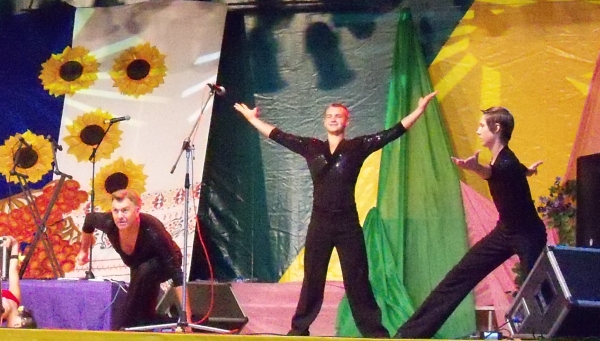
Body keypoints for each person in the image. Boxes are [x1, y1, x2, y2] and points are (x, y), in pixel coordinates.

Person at [234, 91, 438, 337]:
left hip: (347, 224)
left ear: (346, 121)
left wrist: (418, 110)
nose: (333, 119)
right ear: (324, 121)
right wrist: (252, 119)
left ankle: (374, 333)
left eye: (338, 116)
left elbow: (393, 132)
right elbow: (279, 135)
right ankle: (299, 329)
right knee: (313, 278)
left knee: (357, 279)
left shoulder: (357, 147)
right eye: (329, 116)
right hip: (320, 223)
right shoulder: (312, 147)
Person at [394, 107, 547, 339]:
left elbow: (493, 172)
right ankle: (410, 334)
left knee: (535, 292)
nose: (478, 130)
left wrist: (475, 167)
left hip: (529, 235)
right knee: (459, 276)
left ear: (497, 128)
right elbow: (507, 170)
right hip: (505, 231)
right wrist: (527, 171)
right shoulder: (506, 159)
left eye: (482, 126)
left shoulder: (505, 163)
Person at [76, 189, 191, 329]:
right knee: (140, 316)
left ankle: (186, 322)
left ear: (137, 211)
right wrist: (83, 251)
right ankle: (172, 322)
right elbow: (89, 221)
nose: (120, 216)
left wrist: (187, 320)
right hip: (139, 265)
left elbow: (177, 274)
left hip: (164, 263)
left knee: (128, 318)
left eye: (125, 210)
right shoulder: (108, 222)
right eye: (116, 211)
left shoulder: (152, 231)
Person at [1, 235, 36, 328]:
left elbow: (13, 269)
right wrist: (14, 244)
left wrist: (14, 244)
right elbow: (12, 270)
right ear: (17, 325)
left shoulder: (15, 299)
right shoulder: (4, 309)